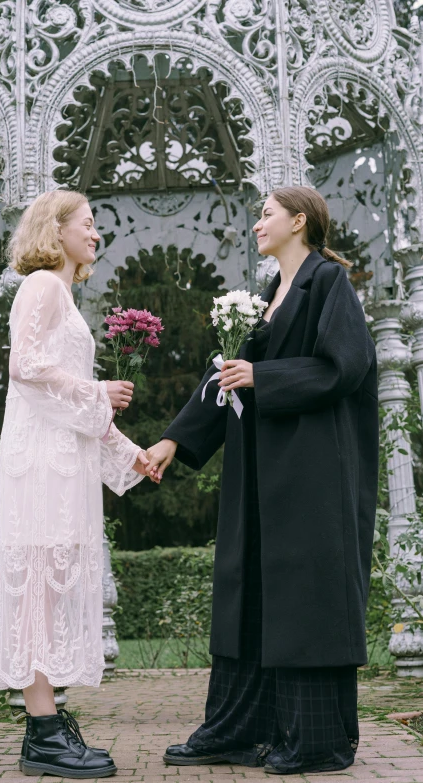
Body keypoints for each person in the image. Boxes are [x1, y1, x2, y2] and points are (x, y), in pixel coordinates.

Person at [145, 186, 379, 775]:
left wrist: (265, 376)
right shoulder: (266, 295)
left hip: (311, 475)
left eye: (266, 215)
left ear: (299, 221)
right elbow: (225, 376)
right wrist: (174, 439)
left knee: (305, 602)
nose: (256, 225)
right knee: (245, 589)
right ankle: (235, 729)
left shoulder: (327, 283)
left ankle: (316, 740)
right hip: (257, 476)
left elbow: (346, 366)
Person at [0, 190, 149, 779]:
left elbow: (72, 401)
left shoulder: (63, 294)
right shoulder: (43, 286)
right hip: (40, 465)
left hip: (63, 462)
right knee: (38, 585)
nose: (97, 234)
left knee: (51, 589)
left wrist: (131, 457)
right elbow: (25, 367)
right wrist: (98, 391)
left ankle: (47, 726)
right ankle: (43, 732)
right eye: (87, 224)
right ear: (55, 230)